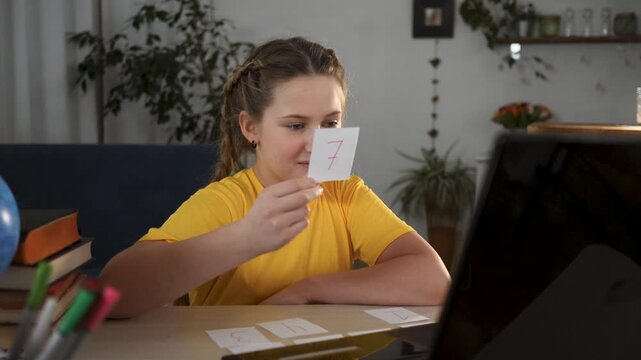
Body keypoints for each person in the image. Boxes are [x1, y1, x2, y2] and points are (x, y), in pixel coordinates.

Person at [100, 37, 450, 318]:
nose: (316, 142)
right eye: (296, 125)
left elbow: (434, 280)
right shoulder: (225, 202)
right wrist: (246, 238)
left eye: (330, 123)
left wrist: (309, 290)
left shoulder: (346, 195)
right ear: (251, 128)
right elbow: (112, 293)